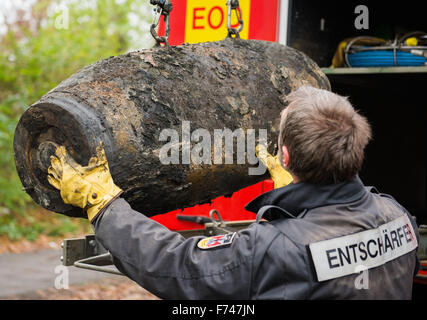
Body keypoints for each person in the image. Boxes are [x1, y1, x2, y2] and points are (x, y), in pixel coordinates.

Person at [47, 85, 420, 299]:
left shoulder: (278, 248)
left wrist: (104, 204)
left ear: (285, 156)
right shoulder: (397, 216)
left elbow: (179, 265)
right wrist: (302, 199)